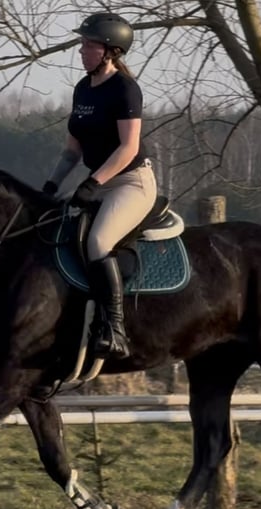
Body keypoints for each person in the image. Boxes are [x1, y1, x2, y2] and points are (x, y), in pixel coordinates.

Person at [43, 12, 157, 360]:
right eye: (82, 44)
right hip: (100, 182)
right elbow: (71, 150)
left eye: (88, 45)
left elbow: (128, 148)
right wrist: (50, 185)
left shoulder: (124, 89)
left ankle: (116, 330)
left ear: (110, 51)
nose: (81, 50)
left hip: (131, 183)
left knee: (97, 241)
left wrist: (94, 182)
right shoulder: (82, 89)